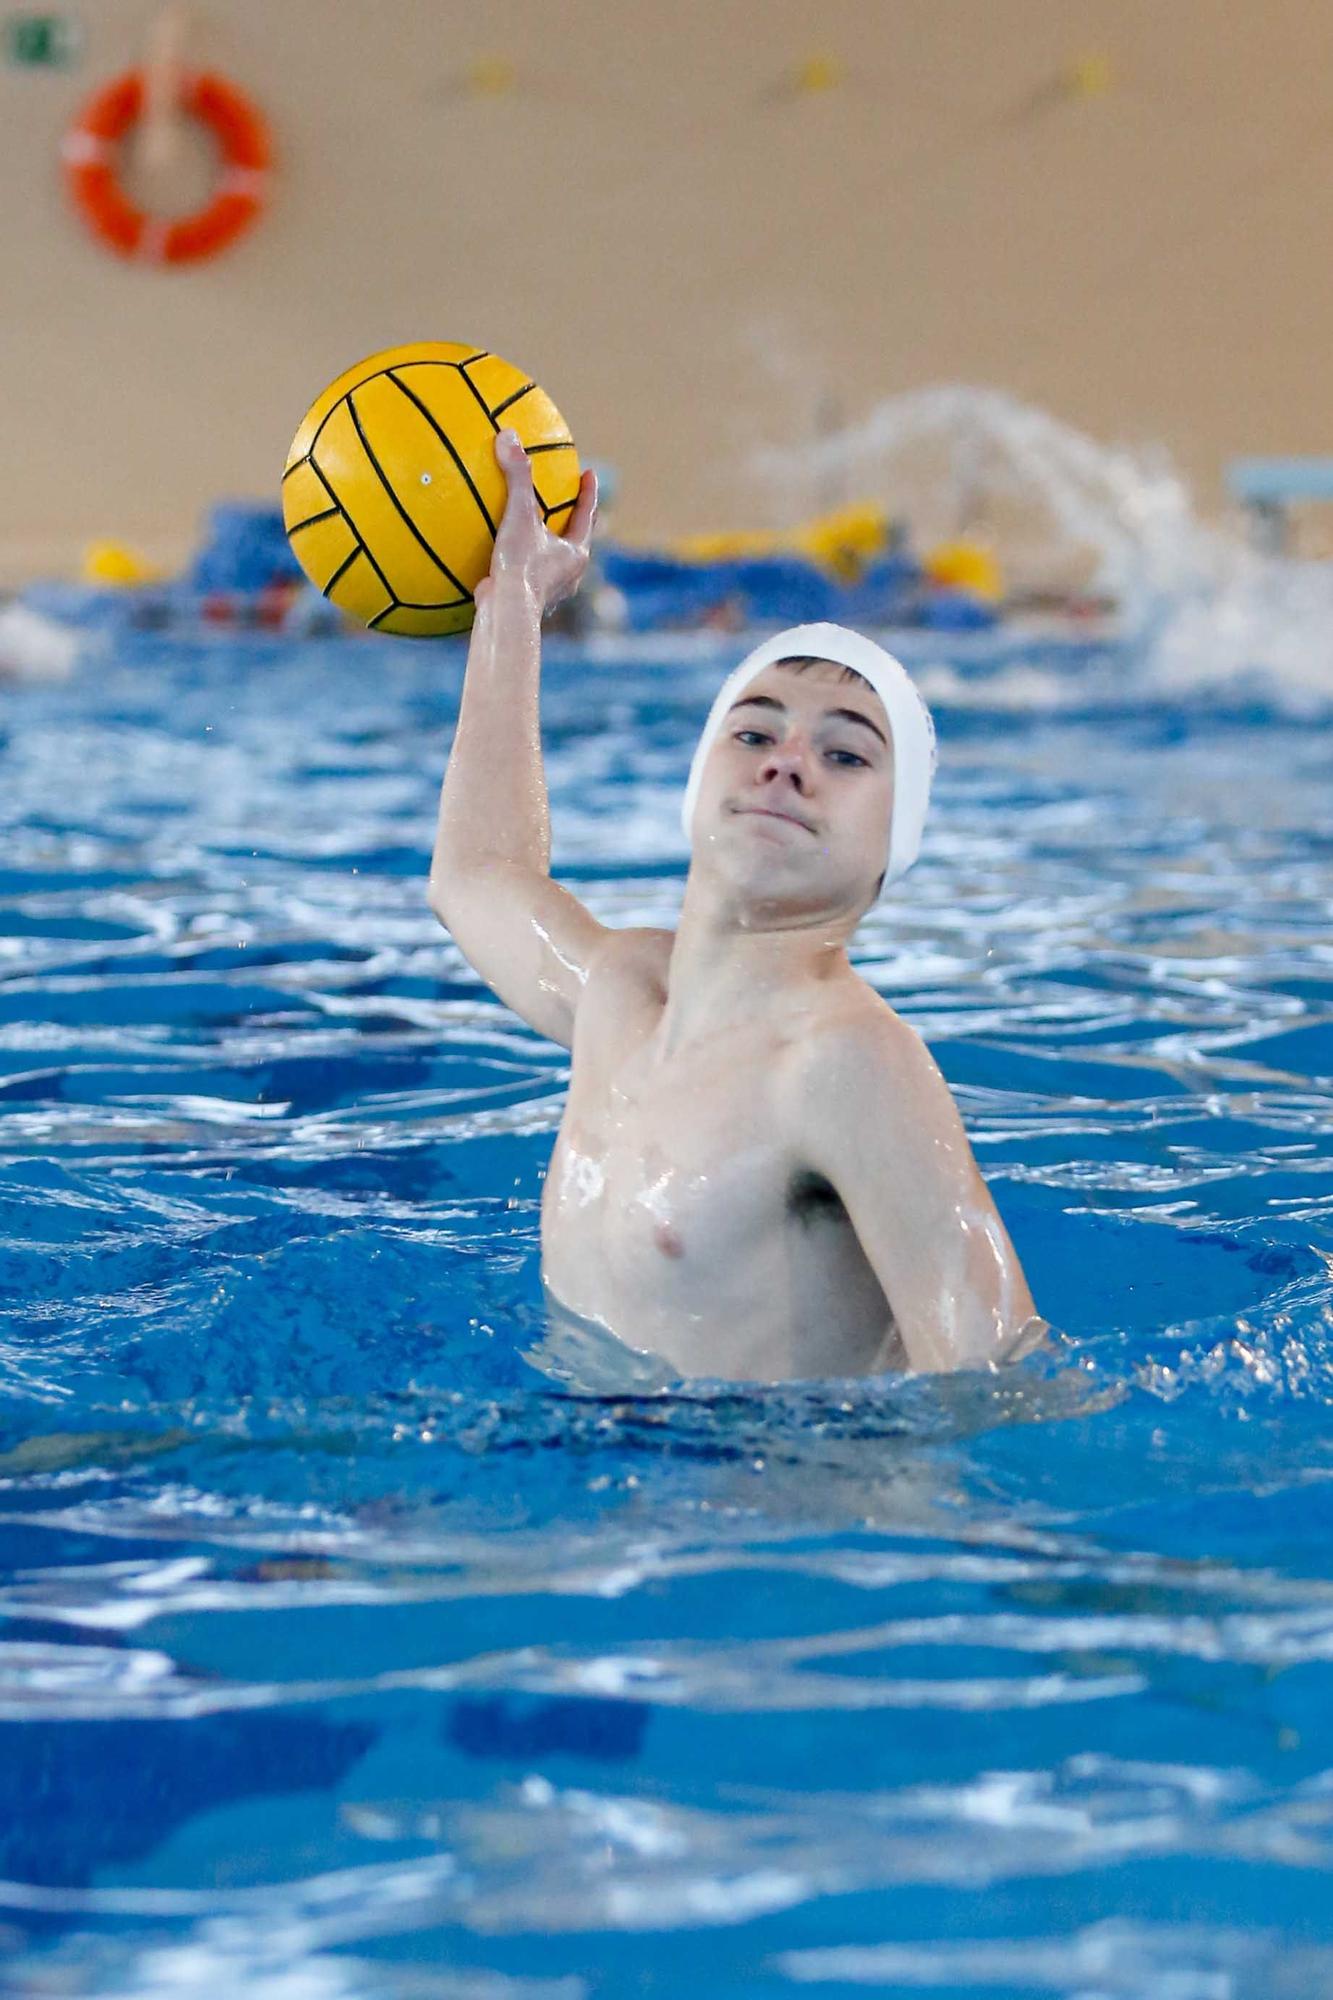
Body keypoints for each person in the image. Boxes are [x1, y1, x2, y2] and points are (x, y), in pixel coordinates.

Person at [429, 429, 1045, 1380]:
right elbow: (475, 873)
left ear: (893, 847)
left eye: (844, 755)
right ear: (697, 783)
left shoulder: (846, 1063)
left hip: (765, 1509)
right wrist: (511, 598)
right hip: (593, 1474)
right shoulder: (622, 993)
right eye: (754, 729)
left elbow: (995, 1380)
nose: (785, 761)